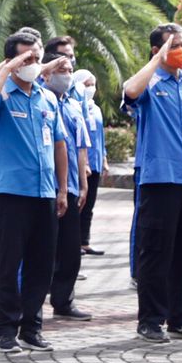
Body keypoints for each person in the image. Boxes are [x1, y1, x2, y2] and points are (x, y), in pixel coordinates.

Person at [0, 32, 69, 353]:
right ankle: (6, 329)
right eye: (26, 58)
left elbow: (59, 144)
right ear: (12, 61)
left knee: (40, 265)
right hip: (11, 194)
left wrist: (62, 189)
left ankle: (32, 327)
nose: (33, 64)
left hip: (44, 194)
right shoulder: (3, 92)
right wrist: (8, 68)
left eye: (36, 58)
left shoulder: (47, 99)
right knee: (9, 263)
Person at [124, 24, 182, 344]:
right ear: (157, 50)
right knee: (156, 252)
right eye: (174, 45)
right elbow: (130, 92)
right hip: (160, 179)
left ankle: (178, 317)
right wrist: (156, 61)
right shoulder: (150, 83)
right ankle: (150, 320)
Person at [44, 54, 92, 322]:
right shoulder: (40, 100)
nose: (66, 75)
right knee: (42, 248)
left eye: (70, 70)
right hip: (43, 186)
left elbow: (81, 148)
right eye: (61, 69)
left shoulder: (74, 106)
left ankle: (63, 300)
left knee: (71, 249)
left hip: (70, 186)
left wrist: (83, 184)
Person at [75, 70, 107, 257]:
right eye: (86, 84)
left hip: (95, 163)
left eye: (92, 84)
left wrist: (104, 159)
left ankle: (84, 242)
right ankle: (74, 243)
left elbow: (100, 136)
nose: (90, 88)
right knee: (79, 204)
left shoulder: (96, 109)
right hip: (82, 165)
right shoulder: (76, 107)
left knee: (89, 206)